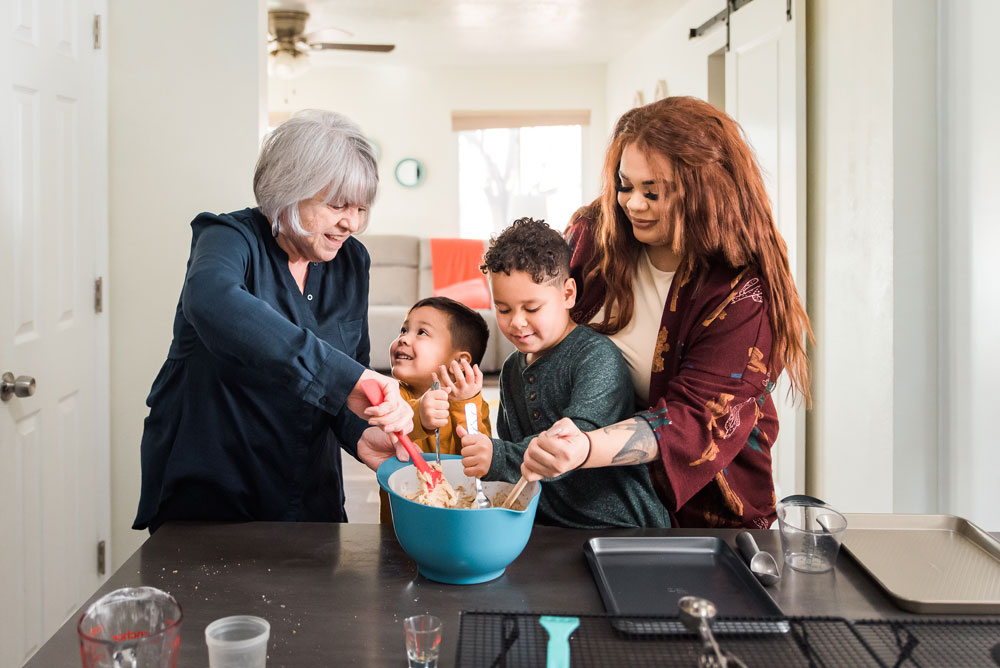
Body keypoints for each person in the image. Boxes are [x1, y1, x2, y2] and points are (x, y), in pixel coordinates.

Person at [520, 97, 814, 530]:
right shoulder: (594, 235)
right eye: (625, 185)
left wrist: (584, 448)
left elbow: (693, 418)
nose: (632, 204)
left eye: (652, 192)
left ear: (706, 192)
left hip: (701, 511)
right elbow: (541, 322)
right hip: (591, 490)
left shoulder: (742, 292)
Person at [133, 110, 413, 533]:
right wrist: (344, 377)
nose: (351, 223)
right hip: (214, 489)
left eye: (360, 208)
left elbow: (347, 374)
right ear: (289, 190)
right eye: (337, 205)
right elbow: (212, 303)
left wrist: (358, 433)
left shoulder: (351, 260)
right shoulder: (228, 238)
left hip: (306, 490)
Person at [459, 218, 670, 528]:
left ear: (568, 294)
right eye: (503, 309)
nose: (516, 322)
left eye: (531, 308)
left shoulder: (595, 358)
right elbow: (516, 458)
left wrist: (499, 457)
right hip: (548, 527)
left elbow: (572, 442)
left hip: (622, 529)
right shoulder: (510, 372)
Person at [380, 296, 492, 521]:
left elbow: (481, 460)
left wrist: (464, 405)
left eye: (421, 332)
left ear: (460, 362)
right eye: (404, 330)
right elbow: (385, 434)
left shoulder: (474, 404)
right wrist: (418, 415)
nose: (403, 339)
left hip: (459, 519)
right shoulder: (392, 394)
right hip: (402, 524)